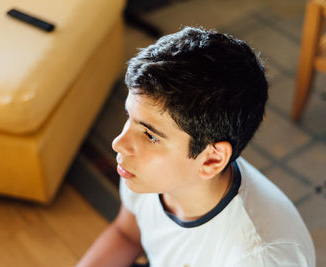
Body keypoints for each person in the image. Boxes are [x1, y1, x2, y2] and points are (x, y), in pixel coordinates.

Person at [77, 26, 315, 267]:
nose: (119, 143)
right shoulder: (143, 170)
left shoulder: (257, 258)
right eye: (130, 117)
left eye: (150, 136)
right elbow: (126, 235)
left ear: (212, 160)